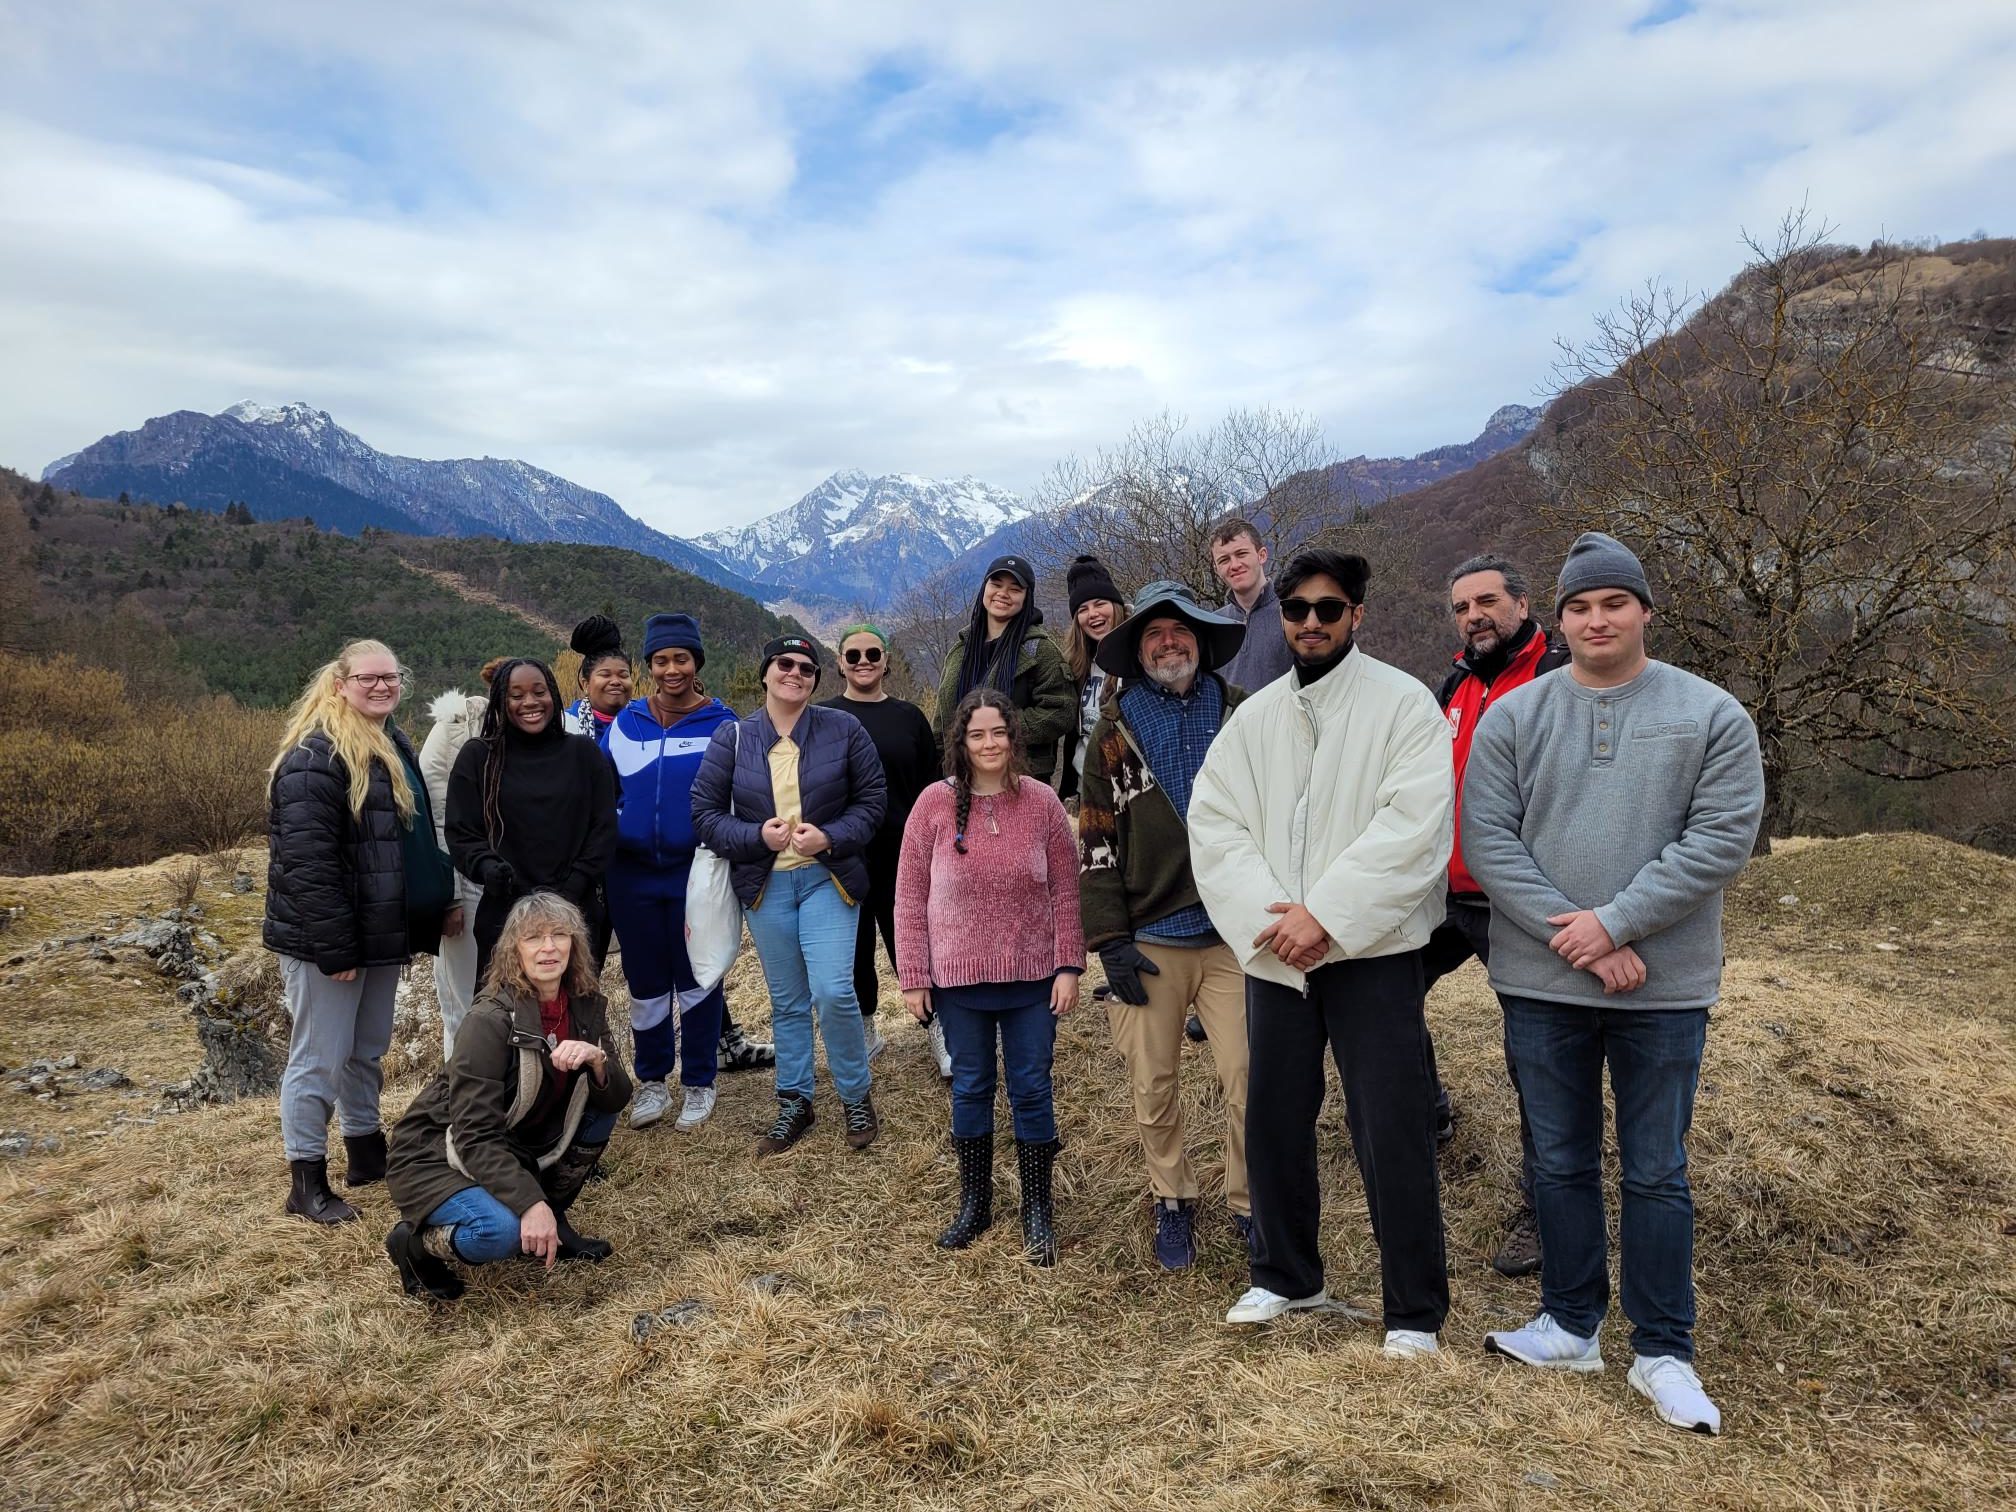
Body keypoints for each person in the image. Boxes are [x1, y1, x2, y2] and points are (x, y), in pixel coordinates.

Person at [1465, 532, 1763, 1436]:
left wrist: (1616, 924)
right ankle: (1569, 1321)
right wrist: (1586, 941)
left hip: (1663, 988)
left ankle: (1664, 1350)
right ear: (1558, 621)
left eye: (1613, 604)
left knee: (1657, 1171)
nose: (1597, 620)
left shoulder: (1711, 715)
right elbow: (1490, 842)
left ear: (1643, 611)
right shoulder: (1517, 716)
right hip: (1544, 984)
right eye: (1580, 607)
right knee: (1557, 1161)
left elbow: (1720, 840)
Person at [1189, 549, 1453, 1361]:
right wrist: (1278, 923)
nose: (1309, 622)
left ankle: (1412, 1310)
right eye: (1296, 609)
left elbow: (1413, 830)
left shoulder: (1405, 706)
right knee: (1273, 1117)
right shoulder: (1256, 717)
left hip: (1372, 952)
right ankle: (1287, 1275)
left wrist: (1327, 918)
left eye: (1327, 609)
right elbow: (1217, 822)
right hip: (1277, 956)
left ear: (1357, 615)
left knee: (1391, 1126)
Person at [1078, 581, 1253, 1270]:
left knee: (1248, 1077)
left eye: (1181, 631)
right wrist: (1109, 940)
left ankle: (1249, 1200)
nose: (1169, 643)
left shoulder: (1241, 714)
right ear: (1138, 649)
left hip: (1235, 936)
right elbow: (1096, 841)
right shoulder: (1114, 731)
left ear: (1202, 641)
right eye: (1155, 635)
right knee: (1154, 1082)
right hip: (1151, 935)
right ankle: (1171, 1197)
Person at [264, 639, 457, 1225]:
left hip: (377, 933)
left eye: (391, 678)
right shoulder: (314, 757)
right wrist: (334, 947)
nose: (381, 686)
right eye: (369, 678)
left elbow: (403, 846)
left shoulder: (388, 741)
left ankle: (367, 1151)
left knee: (366, 1048)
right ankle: (305, 1181)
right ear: (340, 683)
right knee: (318, 1057)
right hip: (330, 941)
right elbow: (307, 863)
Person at [1421, 553, 1572, 1274]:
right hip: (1447, 897)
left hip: (1521, 902)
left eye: (1486, 601)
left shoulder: (1558, 678)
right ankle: (1428, 1110)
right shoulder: (1455, 683)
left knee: (1534, 1058)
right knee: (1377, 992)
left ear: (1522, 601)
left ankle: (1548, 1210)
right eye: (1461, 606)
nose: (1474, 615)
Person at [896, 690, 1084, 1265]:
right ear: (962, 742)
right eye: (977, 735)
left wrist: (1069, 964)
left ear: (1013, 737)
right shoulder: (933, 804)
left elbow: (1067, 890)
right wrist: (913, 974)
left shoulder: (1043, 803)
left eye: (998, 733)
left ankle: (1036, 1209)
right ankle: (974, 1200)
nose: (989, 745)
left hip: (1032, 978)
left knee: (1031, 1088)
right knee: (971, 1086)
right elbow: (909, 894)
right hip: (958, 980)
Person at [383, 892, 632, 1301]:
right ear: (515, 952)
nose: (549, 947)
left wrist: (599, 1060)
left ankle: (552, 1217)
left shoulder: (583, 1003)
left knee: (599, 1103)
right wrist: (530, 1204)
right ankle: (413, 1245)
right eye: (534, 938)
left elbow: (617, 1098)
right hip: (435, 1151)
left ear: (576, 943)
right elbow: (473, 1136)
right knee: (500, 1232)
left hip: (510, 1143)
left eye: (559, 935)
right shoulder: (489, 1021)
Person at [692, 635, 888, 1154]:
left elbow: (872, 801)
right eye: (784, 663)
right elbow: (706, 816)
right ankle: (795, 1099)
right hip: (766, 885)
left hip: (828, 878)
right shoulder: (732, 738)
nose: (795, 673)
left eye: (806, 667)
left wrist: (831, 836)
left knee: (833, 991)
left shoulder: (844, 729)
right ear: (765, 672)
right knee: (788, 1001)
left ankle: (855, 1094)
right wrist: (756, 837)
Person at [605, 612, 739, 1132]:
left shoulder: (723, 725)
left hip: (695, 874)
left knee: (699, 977)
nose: (671, 669)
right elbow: (604, 789)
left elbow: (738, 796)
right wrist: (618, 825)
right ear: (650, 666)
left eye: (681, 658)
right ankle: (654, 1081)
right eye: (661, 660)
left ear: (696, 662)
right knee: (645, 984)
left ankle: (700, 1083)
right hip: (631, 875)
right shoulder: (626, 723)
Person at [445, 658, 618, 988]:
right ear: (500, 700)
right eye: (516, 695)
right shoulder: (480, 757)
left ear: (552, 693)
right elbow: (461, 831)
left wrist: (572, 886)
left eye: (539, 692)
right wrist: (487, 867)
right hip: (505, 913)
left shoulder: (583, 754)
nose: (530, 702)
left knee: (575, 1020)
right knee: (503, 1022)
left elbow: (604, 827)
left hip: (576, 912)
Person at [819, 623, 939, 1066]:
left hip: (905, 850)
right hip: (845, 852)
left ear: (887, 661)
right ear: (839, 664)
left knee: (914, 940)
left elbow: (932, 787)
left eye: (873, 654)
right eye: (853, 655)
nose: (864, 662)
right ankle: (864, 1026)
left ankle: (937, 1025)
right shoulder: (824, 718)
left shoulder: (910, 717)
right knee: (854, 946)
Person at [419, 658, 508, 1058]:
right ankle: (464, 1099)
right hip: (466, 880)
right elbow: (436, 818)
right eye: (510, 690)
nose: (520, 699)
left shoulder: (541, 730)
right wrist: (449, 897)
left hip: (516, 881)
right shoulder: (454, 729)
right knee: (465, 999)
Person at [932, 554, 1074, 784]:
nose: (1003, 594)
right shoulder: (961, 649)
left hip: (1020, 778)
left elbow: (1061, 711)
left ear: (1027, 597)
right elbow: (942, 717)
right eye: (996, 584)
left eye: (1015, 589)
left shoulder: (1039, 650)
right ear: (984, 588)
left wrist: (999, 728)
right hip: (961, 777)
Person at [1058, 554, 1127, 802]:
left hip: (1129, 793)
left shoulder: (1138, 659)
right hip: (1084, 790)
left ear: (1115, 606)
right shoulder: (1077, 665)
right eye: (1083, 609)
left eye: (1100, 603)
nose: (1093, 614)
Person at [1210, 518, 1295, 695]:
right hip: (1230, 723)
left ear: (1262, 555)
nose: (1234, 565)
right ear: (1216, 568)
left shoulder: (1293, 614)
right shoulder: (1213, 625)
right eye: (1224, 560)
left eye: (1241, 554)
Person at [560, 614, 633, 748]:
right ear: (585, 684)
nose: (616, 681)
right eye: (605, 675)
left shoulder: (645, 722)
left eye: (623, 675)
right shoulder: (565, 726)